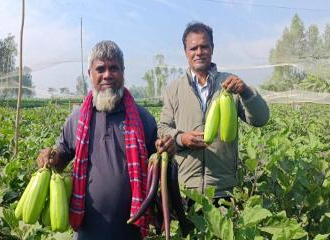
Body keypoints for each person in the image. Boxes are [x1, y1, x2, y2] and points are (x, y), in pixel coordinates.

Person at [37, 40, 175, 240]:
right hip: (87, 229)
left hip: (131, 228)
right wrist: (49, 157)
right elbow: (61, 158)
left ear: (123, 72)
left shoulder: (143, 118)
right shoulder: (76, 119)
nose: (107, 75)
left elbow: (157, 162)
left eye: (114, 68)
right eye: (100, 68)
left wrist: (168, 149)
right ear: (90, 74)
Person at [158, 22, 270, 202]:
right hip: (186, 189)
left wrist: (246, 91)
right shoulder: (174, 89)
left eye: (204, 46)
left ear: (212, 48)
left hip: (223, 189)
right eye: (193, 48)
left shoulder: (230, 84)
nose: (199, 52)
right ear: (186, 52)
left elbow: (261, 119)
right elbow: (163, 128)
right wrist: (181, 138)